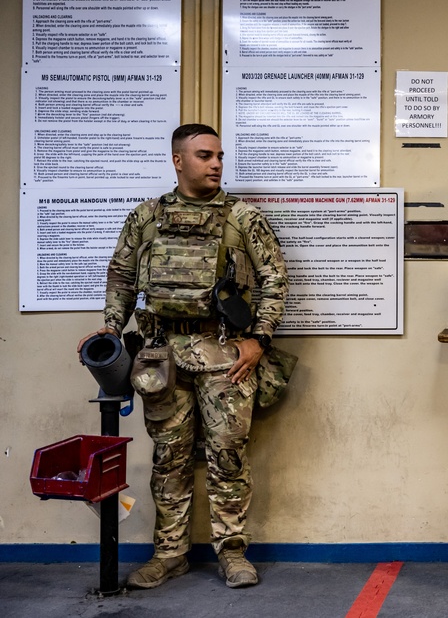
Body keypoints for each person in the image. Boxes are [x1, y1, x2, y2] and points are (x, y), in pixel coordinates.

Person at [77, 124, 289, 589]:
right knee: (168, 458)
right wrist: (111, 328)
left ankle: (232, 554)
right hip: (160, 357)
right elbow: (121, 277)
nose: (215, 164)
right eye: (204, 155)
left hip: (225, 356)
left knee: (228, 456)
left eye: (219, 156)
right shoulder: (146, 217)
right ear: (178, 160)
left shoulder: (242, 217)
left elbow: (275, 280)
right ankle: (169, 554)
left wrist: (259, 340)